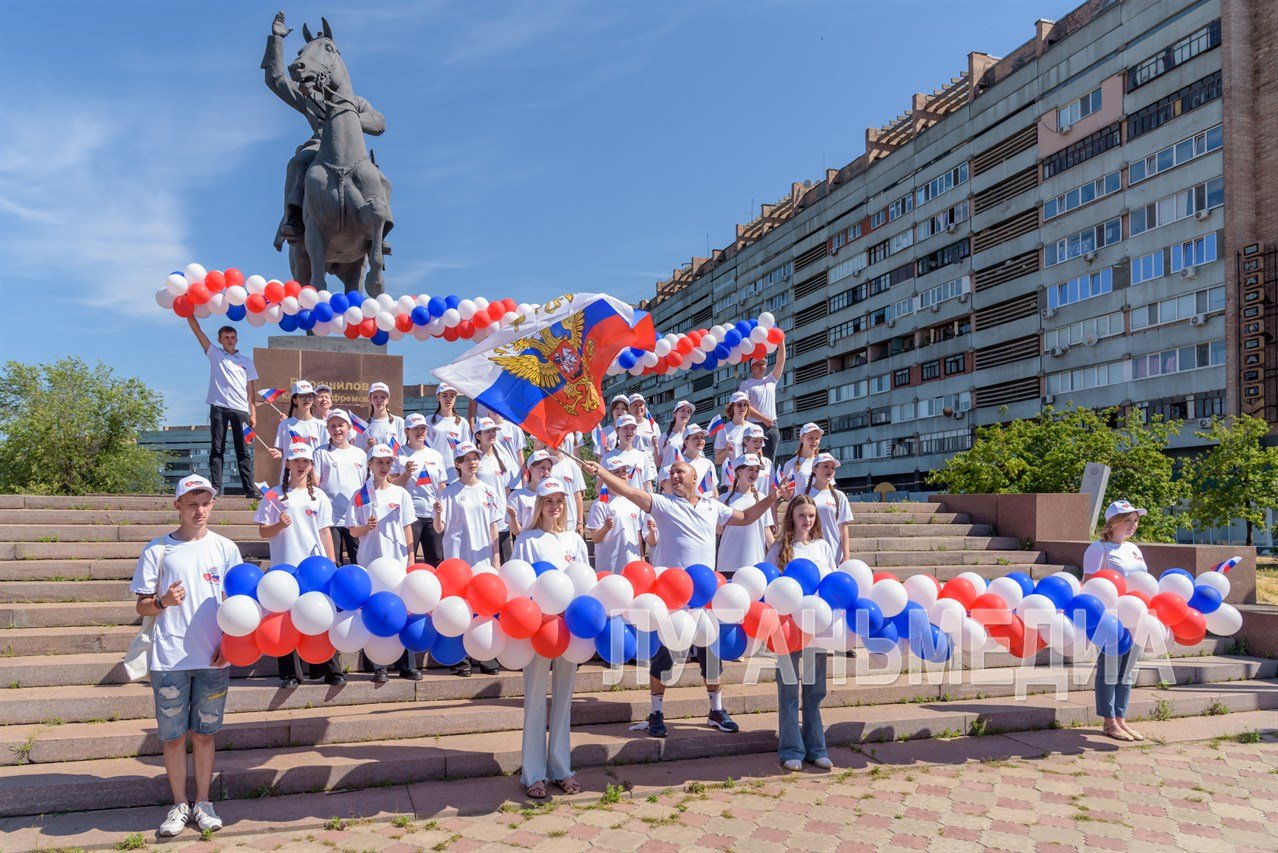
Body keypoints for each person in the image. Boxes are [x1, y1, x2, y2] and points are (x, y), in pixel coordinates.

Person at [584, 458, 791, 739]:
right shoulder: (664, 503)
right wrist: (602, 472)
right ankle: (656, 712)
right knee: (664, 657)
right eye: (671, 473)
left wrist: (773, 498)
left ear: (696, 478)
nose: (675, 476)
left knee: (712, 656)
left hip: (706, 596)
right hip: (673, 598)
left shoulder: (712, 506)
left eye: (680, 472)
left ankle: (716, 710)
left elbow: (745, 518)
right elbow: (631, 493)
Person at [130, 474, 239, 836]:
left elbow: (239, 605)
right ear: (177, 505)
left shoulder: (225, 548)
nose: (200, 510)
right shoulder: (158, 549)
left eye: (205, 502)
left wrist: (231, 641)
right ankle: (179, 804)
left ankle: (204, 802)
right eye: (192, 503)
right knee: (173, 736)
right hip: (169, 658)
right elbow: (142, 606)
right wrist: (162, 601)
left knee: (205, 734)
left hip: (214, 658)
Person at [509, 477, 589, 798]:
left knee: (564, 701)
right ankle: (533, 775)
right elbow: (517, 582)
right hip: (538, 631)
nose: (554, 507)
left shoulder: (576, 540)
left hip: (570, 630)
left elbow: (585, 585)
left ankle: (561, 769)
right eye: (548, 501)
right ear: (538, 505)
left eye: (559, 500)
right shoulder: (527, 540)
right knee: (534, 700)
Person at [254, 444, 343, 688]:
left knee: (320, 614)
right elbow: (263, 531)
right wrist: (279, 526)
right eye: (296, 461)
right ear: (287, 464)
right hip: (285, 566)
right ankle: (290, 674)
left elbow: (325, 531)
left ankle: (330, 669)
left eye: (306, 461)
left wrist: (331, 562)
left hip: (314, 567)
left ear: (311, 465)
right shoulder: (274, 495)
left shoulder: (319, 496)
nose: (301, 465)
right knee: (286, 619)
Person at [765, 494, 835, 771]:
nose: (807, 520)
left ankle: (817, 747)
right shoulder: (780, 548)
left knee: (815, 690)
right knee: (789, 688)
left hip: (816, 625)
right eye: (802, 515)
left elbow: (833, 581)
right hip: (787, 628)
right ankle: (791, 748)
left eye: (811, 516)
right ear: (791, 517)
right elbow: (771, 587)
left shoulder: (823, 547)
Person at [349, 444, 423, 683]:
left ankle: (407, 664)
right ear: (370, 464)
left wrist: (411, 558)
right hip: (371, 563)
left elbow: (407, 527)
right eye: (379, 462)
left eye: (388, 462)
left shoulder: (400, 493)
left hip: (397, 561)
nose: (384, 467)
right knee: (376, 612)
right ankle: (379, 664)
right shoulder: (361, 494)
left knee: (403, 609)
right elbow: (352, 531)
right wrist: (366, 528)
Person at [434, 441, 503, 677]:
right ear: (458, 464)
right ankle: (461, 659)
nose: (472, 463)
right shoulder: (450, 492)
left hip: (482, 558)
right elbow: (439, 527)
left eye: (475, 458)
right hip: (457, 558)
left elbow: (494, 528)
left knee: (484, 606)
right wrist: (436, 513)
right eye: (467, 459)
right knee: (460, 607)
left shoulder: (488, 490)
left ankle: (485, 655)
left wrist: (496, 559)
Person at [1083, 500, 1149, 742]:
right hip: (1111, 617)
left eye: (1135, 520)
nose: (1133, 525)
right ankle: (1109, 722)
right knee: (1110, 669)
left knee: (1127, 671)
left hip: (1136, 615)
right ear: (1113, 523)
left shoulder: (1134, 550)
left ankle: (1121, 719)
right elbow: (1090, 585)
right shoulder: (1098, 549)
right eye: (1127, 520)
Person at [187, 318, 257, 496]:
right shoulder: (215, 354)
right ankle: (216, 487)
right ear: (219, 340)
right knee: (217, 448)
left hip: (241, 409)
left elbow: (251, 389)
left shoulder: (246, 361)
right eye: (226, 337)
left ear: (237, 339)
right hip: (218, 407)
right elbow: (198, 332)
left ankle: (249, 489)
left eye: (233, 337)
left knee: (243, 450)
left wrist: (253, 412)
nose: (230, 340)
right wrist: (189, 314)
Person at [393, 413, 449, 567]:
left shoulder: (435, 455)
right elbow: (391, 487)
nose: (420, 432)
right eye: (415, 428)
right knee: (408, 561)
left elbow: (442, 487)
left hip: (433, 516)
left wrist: (445, 511)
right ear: (406, 431)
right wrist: (406, 474)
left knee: (437, 560)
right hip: (409, 516)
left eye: (423, 428)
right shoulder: (398, 454)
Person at [313, 410, 366, 566]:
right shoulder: (320, 452)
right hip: (331, 517)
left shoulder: (360, 454)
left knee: (358, 560)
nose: (337, 430)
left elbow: (363, 484)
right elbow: (316, 482)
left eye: (341, 425)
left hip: (354, 517)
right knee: (333, 561)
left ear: (349, 427)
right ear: (328, 429)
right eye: (332, 426)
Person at [587, 456, 657, 572]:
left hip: (632, 565)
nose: (622, 475)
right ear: (607, 476)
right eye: (617, 472)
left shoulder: (634, 502)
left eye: (624, 471)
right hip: (610, 566)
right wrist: (605, 528)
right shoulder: (599, 504)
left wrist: (642, 559)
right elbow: (595, 538)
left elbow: (637, 534)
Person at [717, 455, 776, 574]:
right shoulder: (723, 499)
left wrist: (779, 556)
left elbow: (767, 532)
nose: (754, 474)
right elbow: (718, 531)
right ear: (739, 471)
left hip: (755, 562)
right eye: (750, 469)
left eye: (757, 470)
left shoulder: (762, 499)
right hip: (728, 563)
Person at [474, 417, 516, 561]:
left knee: (504, 561)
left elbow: (506, 489)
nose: (491, 434)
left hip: (500, 520)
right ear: (478, 435)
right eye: (487, 432)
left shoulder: (503, 458)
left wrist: (507, 513)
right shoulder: (474, 460)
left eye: (493, 431)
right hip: (480, 518)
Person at [802, 453, 854, 564]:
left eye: (832, 467)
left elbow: (843, 528)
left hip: (833, 552)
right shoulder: (803, 494)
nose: (829, 470)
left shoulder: (839, 496)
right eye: (825, 466)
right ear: (815, 469)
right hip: (809, 551)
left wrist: (846, 555)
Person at [740, 339, 785, 459]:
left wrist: (781, 343)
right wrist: (764, 419)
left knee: (769, 460)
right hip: (753, 425)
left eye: (763, 364)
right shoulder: (746, 384)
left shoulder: (770, 380)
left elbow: (780, 362)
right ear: (752, 367)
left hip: (771, 426)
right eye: (758, 364)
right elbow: (744, 408)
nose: (762, 367)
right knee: (752, 458)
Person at [269, 381, 326, 473]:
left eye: (310, 396)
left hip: (314, 477)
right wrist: (279, 453)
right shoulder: (285, 425)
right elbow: (281, 451)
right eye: (302, 396)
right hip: (290, 478)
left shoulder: (322, 426)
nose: (307, 400)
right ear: (295, 400)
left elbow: (325, 453)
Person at [601, 415, 656, 493]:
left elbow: (647, 485)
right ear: (617, 430)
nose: (629, 431)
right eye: (625, 428)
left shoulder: (642, 456)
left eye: (633, 428)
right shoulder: (607, 457)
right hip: (616, 504)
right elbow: (600, 486)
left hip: (637, 504)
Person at [428, 383, 472, 480]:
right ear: (438, 397)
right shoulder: (428, 420)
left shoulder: (462, 422)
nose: (448, 399)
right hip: (434, 470)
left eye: (452, 396)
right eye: (444, 395)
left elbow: (466, 450)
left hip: (454, 473)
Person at [508, 450, 555, 536]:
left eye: (549, 469)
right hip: (527, 546)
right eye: (542, 467)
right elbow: (517, 532)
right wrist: (513, 518)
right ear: (531, 468)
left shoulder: (554, 495)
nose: (546, 472)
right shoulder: (516, 496)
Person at [359, 382, 405, 451]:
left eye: (383, 397)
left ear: (388, 400)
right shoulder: (364, 426)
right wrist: (368, 447)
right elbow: (359, 455)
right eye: (375, 397)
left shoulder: (399, 422)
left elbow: (403, 449)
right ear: (370, 399)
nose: (379, 400)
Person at [781, 422, 824, 493]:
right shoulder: (790, 464)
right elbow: (786, 494)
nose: (814, 441)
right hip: (799, 503)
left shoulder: (823, 462)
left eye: (817, 438)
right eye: (810, 438)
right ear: (802, 439)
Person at [714, 392, 752, 467]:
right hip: (732, 476)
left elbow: (760, 455)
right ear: (732, 407)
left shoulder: (754, 428)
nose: (743, 408)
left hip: (750, 474)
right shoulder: (723, 430)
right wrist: (727, 451)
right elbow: (718, 460)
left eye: (745, 405)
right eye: (739, 405)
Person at [680, 425, 718, 497]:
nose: (700, 440)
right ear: (686, 442)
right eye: (695, 438)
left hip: (709, 506)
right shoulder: (680, 463)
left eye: (702, 438)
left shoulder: (708, 463)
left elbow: (714, 490)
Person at [657, 400, 695, 469]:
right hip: (668, 477)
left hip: (686, 476)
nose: (685, 414)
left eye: (688, 412)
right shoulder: (664, 437)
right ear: (675, 414)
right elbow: (658, 463)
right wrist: (654, 447)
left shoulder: (693, 436)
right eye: (682, 410)